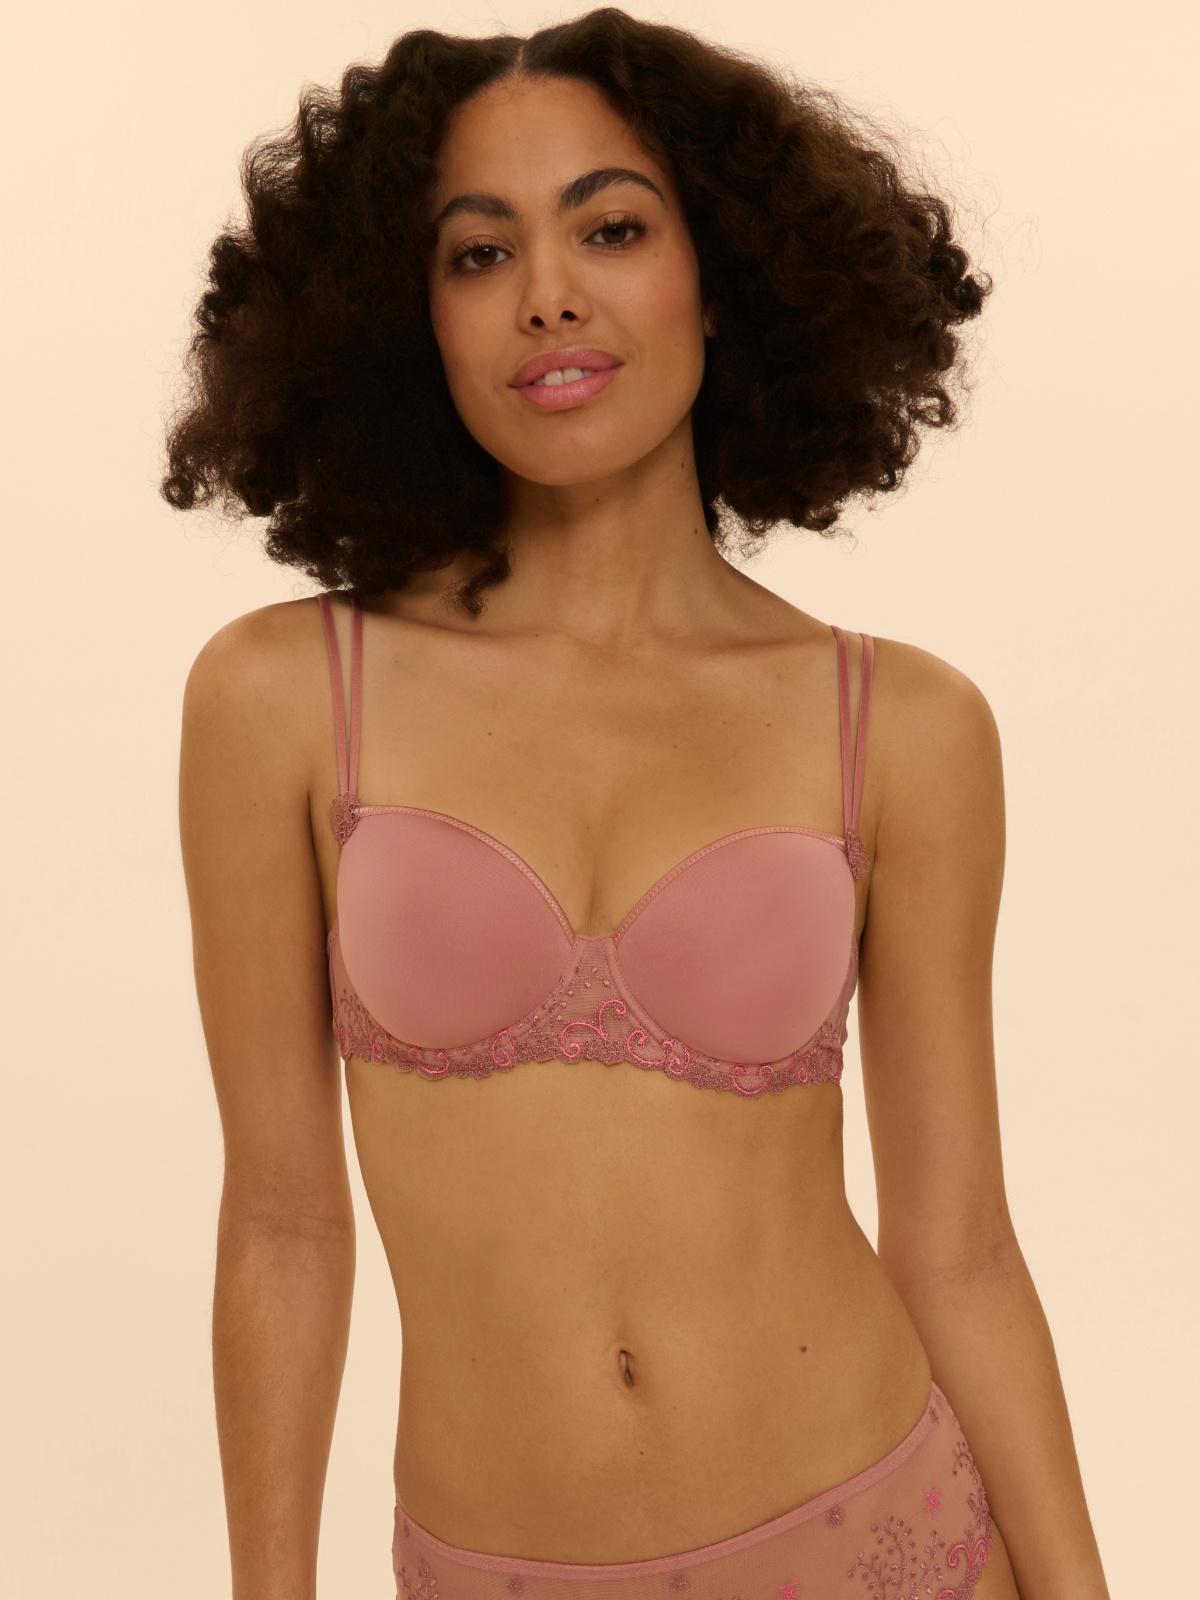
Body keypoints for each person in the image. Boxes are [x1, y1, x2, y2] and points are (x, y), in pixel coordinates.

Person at [167, 9, 1110, 1597]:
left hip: (883, 1544)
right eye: (480, 253)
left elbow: (959, 1248)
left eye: (610, 228)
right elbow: (281, 1226)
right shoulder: (282, 699)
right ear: (407, 315)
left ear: (721, 275)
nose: (548, 293)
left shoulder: (902, 725)